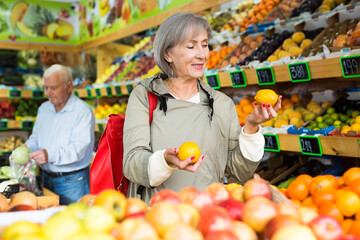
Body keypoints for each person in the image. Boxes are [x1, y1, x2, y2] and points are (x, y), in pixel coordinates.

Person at [123, 12, 282, 203]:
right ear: (167, 54)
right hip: (159, 216)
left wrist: (251, 127)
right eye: (191, 46)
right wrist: (165, 161)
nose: (202, 55)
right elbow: (132, 163)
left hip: (208, 214)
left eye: (205, 45)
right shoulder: (145, 95)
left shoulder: (221, 103)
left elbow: (239, 171)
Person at [25, 64, 95, 205]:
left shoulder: (83, 111)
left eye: (53, 88)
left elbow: (79, 149)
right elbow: (36, 138)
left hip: (72, 182)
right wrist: (26, 148)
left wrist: (49, 154)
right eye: (46, 88)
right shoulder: (43, 109)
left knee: (75, 222)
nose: (48, 93)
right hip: (45, 178)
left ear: (69, 87)